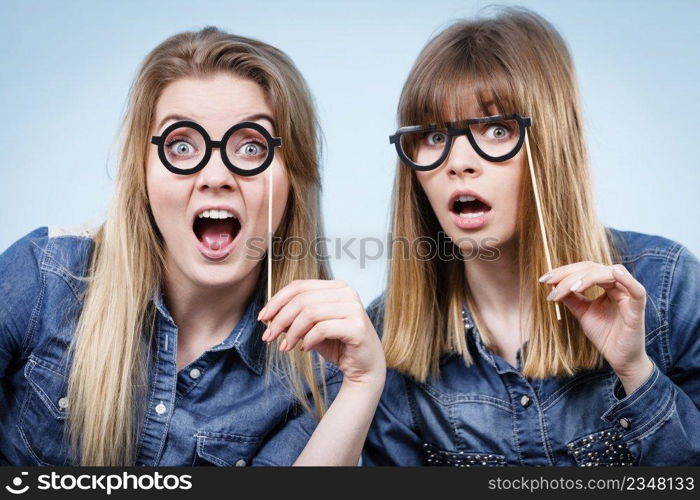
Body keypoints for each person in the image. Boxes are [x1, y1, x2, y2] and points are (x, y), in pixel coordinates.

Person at [0, 26, 384, 466]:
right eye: (181, 145)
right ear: (141, 172)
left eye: (251, 147)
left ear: (293, 178)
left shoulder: (318, 372)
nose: (216, 175)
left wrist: (364, 383)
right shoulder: (41, 278)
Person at [363, 7, 700, 466]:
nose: (459, 161)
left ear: (551, 145)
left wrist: (636, 372)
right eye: (435, 136)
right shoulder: (386, 337)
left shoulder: (667, 286)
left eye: (497, 129)